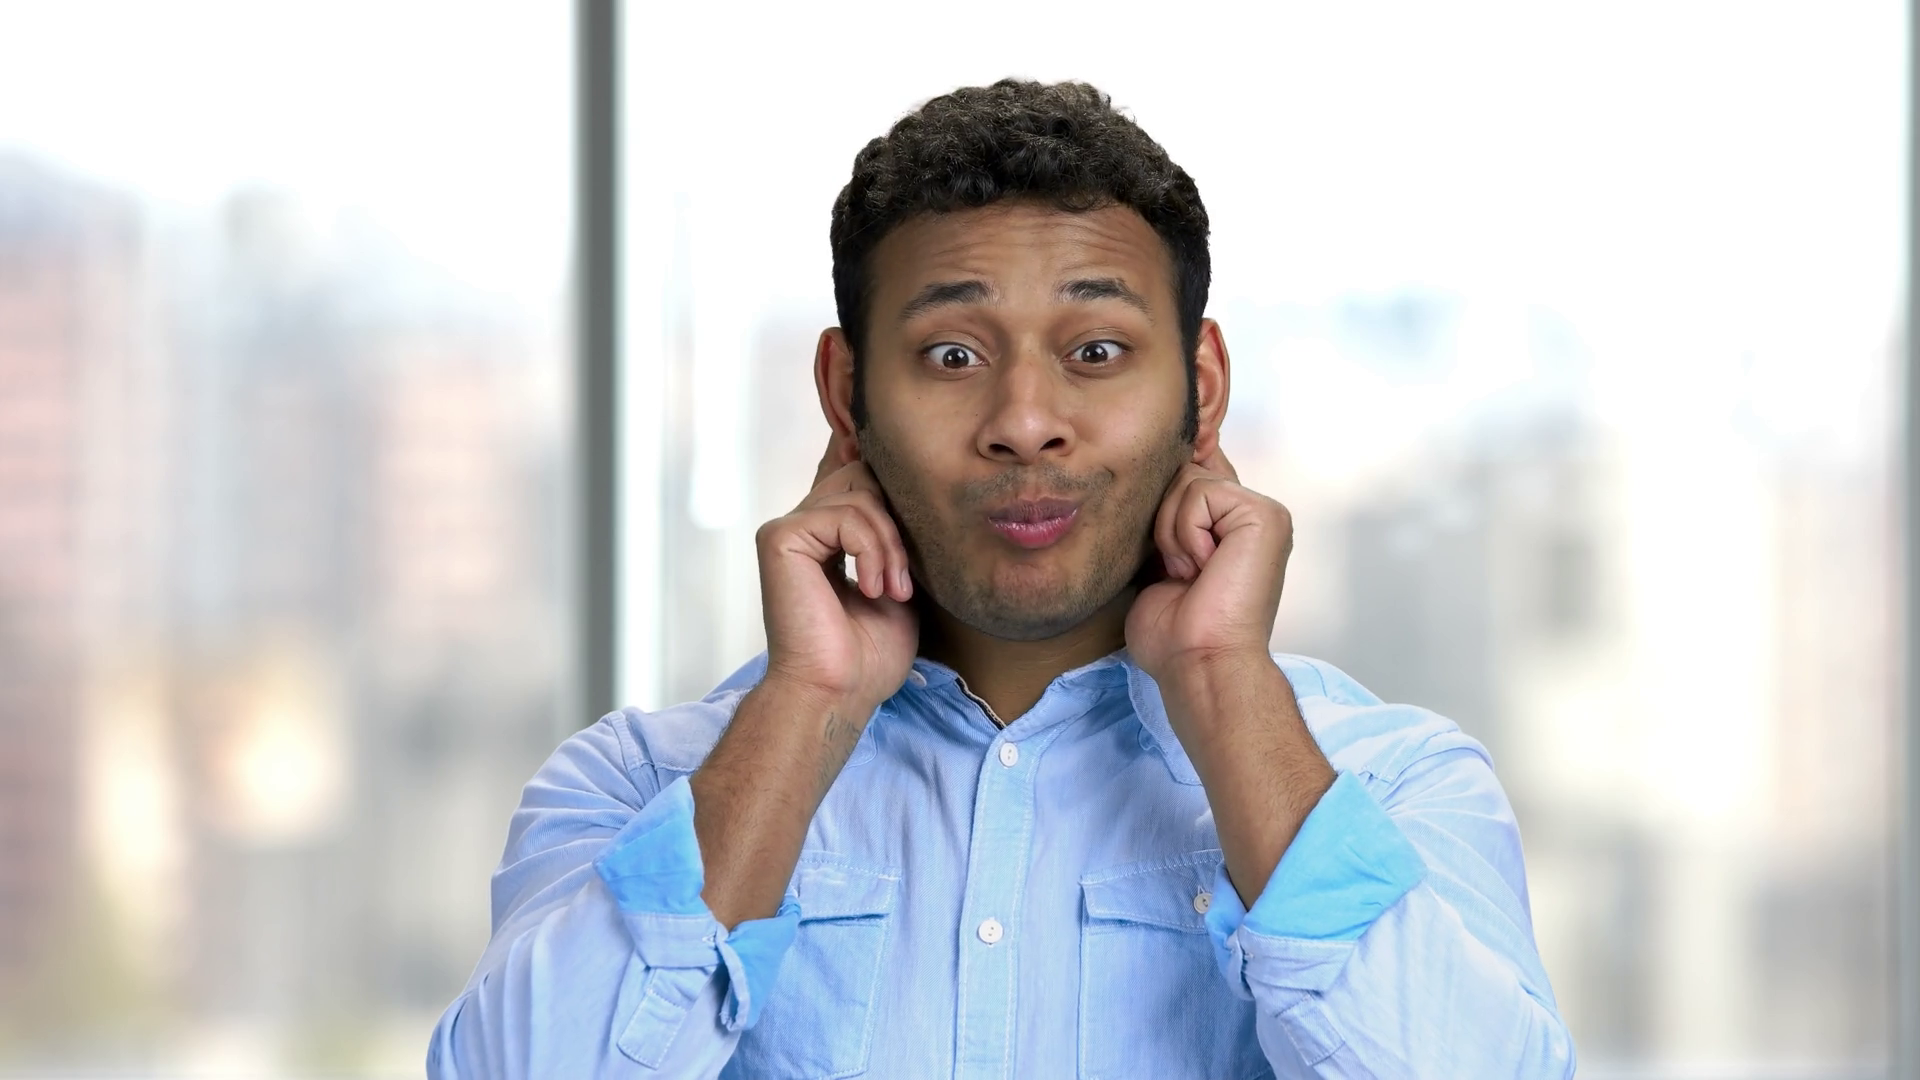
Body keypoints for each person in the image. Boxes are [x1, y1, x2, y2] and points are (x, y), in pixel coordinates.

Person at [427, 78, 1575, 1079]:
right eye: (954, 357)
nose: (1026, 423)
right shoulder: (634, 790)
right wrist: (808, 707)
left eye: (1096, 353)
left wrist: (1225, 686)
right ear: (846, 396)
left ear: (1204, 386)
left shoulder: (1401, 789)